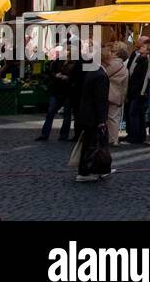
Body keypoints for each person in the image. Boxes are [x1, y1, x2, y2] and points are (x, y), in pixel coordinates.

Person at [75, 43, 111, 183]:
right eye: (110, 57)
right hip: (93, 116)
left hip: (87, 114)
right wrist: (102, 120)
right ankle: (86, 171)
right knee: (92, 145)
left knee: (89, 144)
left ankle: (93, 169)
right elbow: (100, 100)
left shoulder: (93, 71)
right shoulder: (101, 75)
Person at [36, 51, 75, 142]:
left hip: (68, 91)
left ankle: (63, 135)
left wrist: (67, 78)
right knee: (50, 113)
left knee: (67, 115)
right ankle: (44, 134)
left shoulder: (74, 63)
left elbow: (76, 76)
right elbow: (50, 72)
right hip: (56, 90)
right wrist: (55, 75)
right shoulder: (58, 61)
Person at [124, 37, 150, 144]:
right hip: (132, 89)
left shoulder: (146, 60)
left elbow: (143, 77)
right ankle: (133, 134)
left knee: (134, 113)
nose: (136, 42)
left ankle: (135, 137)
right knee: (133, 113)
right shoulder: (135, 54)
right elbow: (130, 68)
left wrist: (141, 91)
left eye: (140, 42)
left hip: (139, 91)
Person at [103, 42, 128, 145]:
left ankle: (112, 139)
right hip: (117, 95)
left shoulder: (114, 64)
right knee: (113, 118)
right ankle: (113, 138)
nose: (110, 53)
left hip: (110, 94)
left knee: (111, 118)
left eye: (112, 51)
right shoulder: (122, 65)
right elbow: (125, 85)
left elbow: (104, 73)